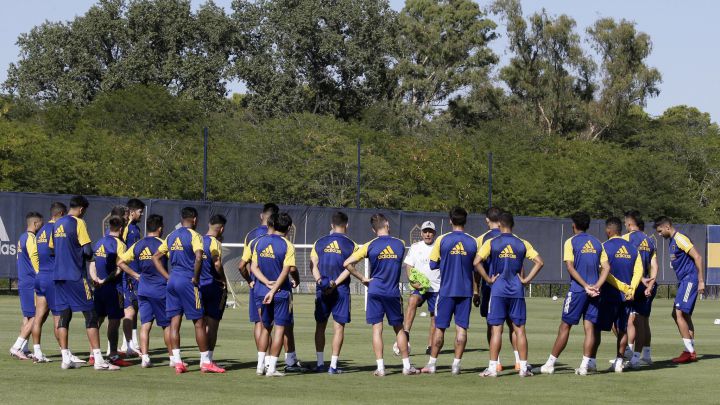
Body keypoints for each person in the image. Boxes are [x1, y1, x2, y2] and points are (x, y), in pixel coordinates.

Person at [344, 213, 420, 377]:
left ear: (373, 229)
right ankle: (407, 366)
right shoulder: (400, 243)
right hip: (392, 292)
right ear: (387, 224)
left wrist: (363, 278)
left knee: (377, 329)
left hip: (374, 290)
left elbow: (347, 263)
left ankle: (381, 368)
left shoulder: (369, 245)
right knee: (399, 329)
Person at [152, 207, 224, 374]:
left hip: (173, 281)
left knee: (174, 324)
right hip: (187, 281)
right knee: (199, 323)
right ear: (195, 219)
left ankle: (178, 362)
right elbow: (199, 256)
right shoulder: (195, 236)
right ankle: (206, 362)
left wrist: (167, 276)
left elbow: (155, 257)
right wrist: (196, 278)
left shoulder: (171, 235)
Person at [52, 195, 118, 370]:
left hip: (58, 276)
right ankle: (98, 360)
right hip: (75, 275)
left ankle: (65, 357)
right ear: (81, 209)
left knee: (64, 316)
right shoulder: (78, 223)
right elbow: (88, 251)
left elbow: (53, 249)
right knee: (91, 315)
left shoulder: (57, 223)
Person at [476, 211, 544, 377]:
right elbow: (539, 262)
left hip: (498, 290)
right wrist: (526, 279)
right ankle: (523, 368)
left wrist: (488, 279)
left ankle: (492, 368)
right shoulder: (522, 243)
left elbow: (476, 262)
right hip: (516, 290)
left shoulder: (492, 242)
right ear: (512, 224)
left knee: (496, 329)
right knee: (519, 329)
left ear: (499, 224)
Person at [539, 212, 603, 376]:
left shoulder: (570, 241)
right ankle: (584, 367)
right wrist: (596, 286)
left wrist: (585, 286)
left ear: (574, 225)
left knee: (565, 326)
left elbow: (570, 267)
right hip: (595, 292)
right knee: (590, 329)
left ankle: (550, 364)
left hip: (577, 291)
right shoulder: (597, 243)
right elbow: (607, 267)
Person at [419, 208, 478, 375]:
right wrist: (476, 290)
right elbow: (477, 266)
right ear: (465, 221)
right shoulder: (473, 242)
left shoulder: (442, 240)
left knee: (440, 327)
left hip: (445, 291)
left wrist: (447, 261)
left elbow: (432, 264)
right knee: (461, 329)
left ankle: (432, 364)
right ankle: (456, 365)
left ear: (450, 220)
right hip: (465, 292)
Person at [118, 214, 172, 368]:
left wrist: (135, 275)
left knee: (145, 324)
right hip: (160, 289)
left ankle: (145, 358)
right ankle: (173, 358)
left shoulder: (138, 244)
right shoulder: (163, 244)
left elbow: (121, 262)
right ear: (160, 228)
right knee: (167, 325)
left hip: (143, 289)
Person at [250, 212, 298, 377]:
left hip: (261, 291)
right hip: (280, 293)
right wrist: (273, 288)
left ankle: (259, 366)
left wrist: (265, 282)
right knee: (279, 329)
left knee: (265, 328)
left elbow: (253, 267)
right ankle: (271, 369)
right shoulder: (287, 245)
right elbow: (287, 271)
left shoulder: (260, 242)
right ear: (289, 228)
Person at [310, 211, 357, 374]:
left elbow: (313, 265)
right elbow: (349, 268)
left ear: (331, 225)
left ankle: (320, 363)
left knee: (320, 326)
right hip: (341, 290)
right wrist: (335, 284)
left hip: (321, 290)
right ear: (347, 225)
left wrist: (320, 282)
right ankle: (333, 366)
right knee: (338, 328)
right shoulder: (352, 245)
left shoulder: (319, 242)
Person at [654, 216, 705, 364]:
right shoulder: (672, 241)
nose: (659, 234)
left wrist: (701, 281)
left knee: (679, 312)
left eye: (660, 231)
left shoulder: (680, 239)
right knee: (682, 314)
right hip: (684, 281)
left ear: (667, 227)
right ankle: (689, 351)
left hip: (690, 279)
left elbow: (698, 257)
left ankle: (690, 352)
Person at [595, 217, 643, 373]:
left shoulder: (603, 247)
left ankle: (590, 361)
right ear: (620, 230)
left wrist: (622, 287)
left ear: (608, 231)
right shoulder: (632, 248)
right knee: (622, 329)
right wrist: (631, 289)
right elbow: (639, 271)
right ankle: (619, 362)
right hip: (627, 297)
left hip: (609, 295)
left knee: (595, 328)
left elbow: (604, 271)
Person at [475, 207, 519, 371]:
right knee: (514, 324)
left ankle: (496, 362)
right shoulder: (515, 238)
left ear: (487, 220)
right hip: (513, 287)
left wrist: (476, 290)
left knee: (492, 325)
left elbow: (476, 266)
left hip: (491, 287)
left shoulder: (482, 239)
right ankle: (518, 361)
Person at [88, 216, 131, 367]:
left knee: (96, 320)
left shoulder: (100, 242)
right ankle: (113, 354)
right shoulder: (120, 244)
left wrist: (95, 280)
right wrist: (105, 280)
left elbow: (92, 264)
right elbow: (120, 268)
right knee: (114, 321)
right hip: (113, 288)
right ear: (121, 229)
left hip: (98, 289)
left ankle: (93, 354)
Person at [31, 202, 66, 363]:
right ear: (61, 214)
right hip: (52, 277)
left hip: (40, 276)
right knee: (58, 316)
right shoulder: (56, 229)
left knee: (38, 317)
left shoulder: (41, 231)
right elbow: (57, 251)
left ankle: (37, 352)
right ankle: (65, 353)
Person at [396, 220, 438, 357]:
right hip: (419, 287)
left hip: (436, 287)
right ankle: (406, 333)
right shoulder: (415, 247)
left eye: (430, 232)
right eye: (425, 231)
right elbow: (408, 266)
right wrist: (412, 282)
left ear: (434, 233)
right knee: (412, 301)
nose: (427, 234)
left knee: (434, 317)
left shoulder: (440, 246)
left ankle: (430, 346)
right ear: (421, 233)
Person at [623, 210, 658, 367]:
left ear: (630, 224)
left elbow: (627, 262)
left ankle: (633, 357)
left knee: (632, 320)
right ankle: (644, 356)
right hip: (649, 285)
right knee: (643, 320)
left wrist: (640, 279)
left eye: (625, 223)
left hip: (635, 284)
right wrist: (650, 283)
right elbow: (655, 265)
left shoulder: (626, 239)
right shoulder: (649, 241)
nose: (625, 226)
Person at [10, 211, 42, 360]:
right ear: (35, 223)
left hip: (24, 281)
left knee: (28, 316)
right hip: (31, 282)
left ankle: (24, 348)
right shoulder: (31, 238)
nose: (41, 225)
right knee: (35, 316)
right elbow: (35, 258)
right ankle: (17, 346)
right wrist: (40, 274)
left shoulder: (21, 237)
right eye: (40, 223)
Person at [200, 214, 228, 366]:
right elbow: (217, 264)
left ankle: (203, 358)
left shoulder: (198, 240)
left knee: (201, 324)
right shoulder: (214, 242)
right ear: (221, 228)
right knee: (212, 325)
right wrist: (223, 279)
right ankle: (208, 359)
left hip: (199, 286)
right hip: (213, 286)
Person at [120, 198, 145, 356]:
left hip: (136, 273)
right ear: (132, 212)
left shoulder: (135, 228)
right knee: (129, 309)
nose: (141, 214)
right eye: (140, 212)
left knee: (135, 307)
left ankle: (133, 342)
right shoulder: (127, 228)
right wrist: (130, 272)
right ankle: (125, 344)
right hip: (129, 274)